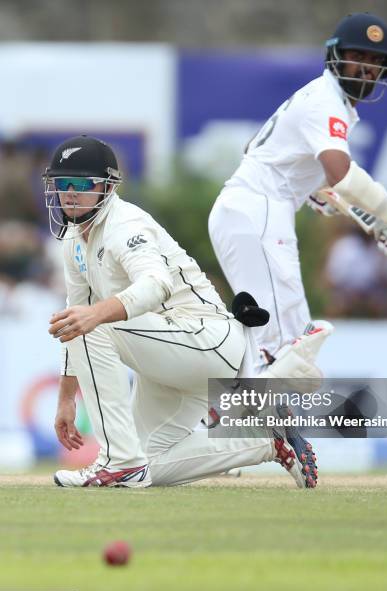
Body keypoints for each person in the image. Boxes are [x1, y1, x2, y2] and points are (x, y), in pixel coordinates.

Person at [45, 135, 319, 489]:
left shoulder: (125, 226)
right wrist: (66, 399)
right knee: (149, 465)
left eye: (81, 183)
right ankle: (266, 441)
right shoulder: (73, 240)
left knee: (90, 324)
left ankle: (117, 462)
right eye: (60, 183)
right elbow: (74, 317)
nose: (69, 192)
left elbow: (155, 283)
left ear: (107, 186)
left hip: (207, 340)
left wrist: (96, 315)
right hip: (169, 357)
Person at [208, 12, 387, 373]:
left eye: (375, 61)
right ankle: (237, 423)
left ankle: (271, 429)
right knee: (279, 348)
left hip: (252, 213)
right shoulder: (325, 101)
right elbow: (343, 175)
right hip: (258, 214)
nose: (366, 68)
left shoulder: (323, 99)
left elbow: (255, 149)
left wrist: (317, 192)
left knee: (294, 344)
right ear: (336, 57)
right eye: (358, 57)